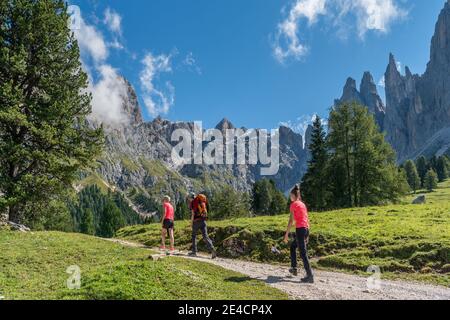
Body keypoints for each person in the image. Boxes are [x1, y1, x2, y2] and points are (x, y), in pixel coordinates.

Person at [283, 185, 314, 283]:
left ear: (293, 195)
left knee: (303, 253)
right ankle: (294, 268)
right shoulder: (302, 204)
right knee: (293, 246)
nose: (290, 197)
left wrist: (286, 234)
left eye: (290, 195)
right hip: (305, 229)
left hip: (300, 230)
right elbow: (306, 219)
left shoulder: (293, 204)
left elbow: (291, 221)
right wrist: (307, 234)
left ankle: (310, 275)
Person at [187, 193, 217, 259]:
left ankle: (194, 251)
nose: (188, 199)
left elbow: (193, 214)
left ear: (190, 197)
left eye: (188, 198)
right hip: (203, 221)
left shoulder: (193, 203)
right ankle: (212, 249)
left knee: (194, 236)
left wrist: (191, 223)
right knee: (205, 236)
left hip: (196, 222)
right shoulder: (201, 201)